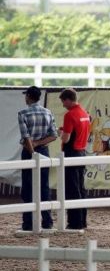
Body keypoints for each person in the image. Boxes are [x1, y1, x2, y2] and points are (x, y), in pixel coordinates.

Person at [17, 86, 58, 231]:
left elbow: (26, 136)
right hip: (44, 151)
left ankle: (28, 223)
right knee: (44, 186)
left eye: (26, 95)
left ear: (28, 96)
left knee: (28, 187)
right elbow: (53, 135)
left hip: (29, 151)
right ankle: (47, 221)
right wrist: (39, 144)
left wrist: (32, 150)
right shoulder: (48, 112)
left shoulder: (23, 113)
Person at [59, 88, 91, 229]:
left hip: (71, 154)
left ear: (67, 99)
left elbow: (66, 139)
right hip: (82, 152)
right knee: (80, 188)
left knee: (72, 189)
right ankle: (82, 221)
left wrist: (60, 132)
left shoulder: (69, 115)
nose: (63, 105)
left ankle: (74, 223)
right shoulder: (84, 113)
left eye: (63, 101)